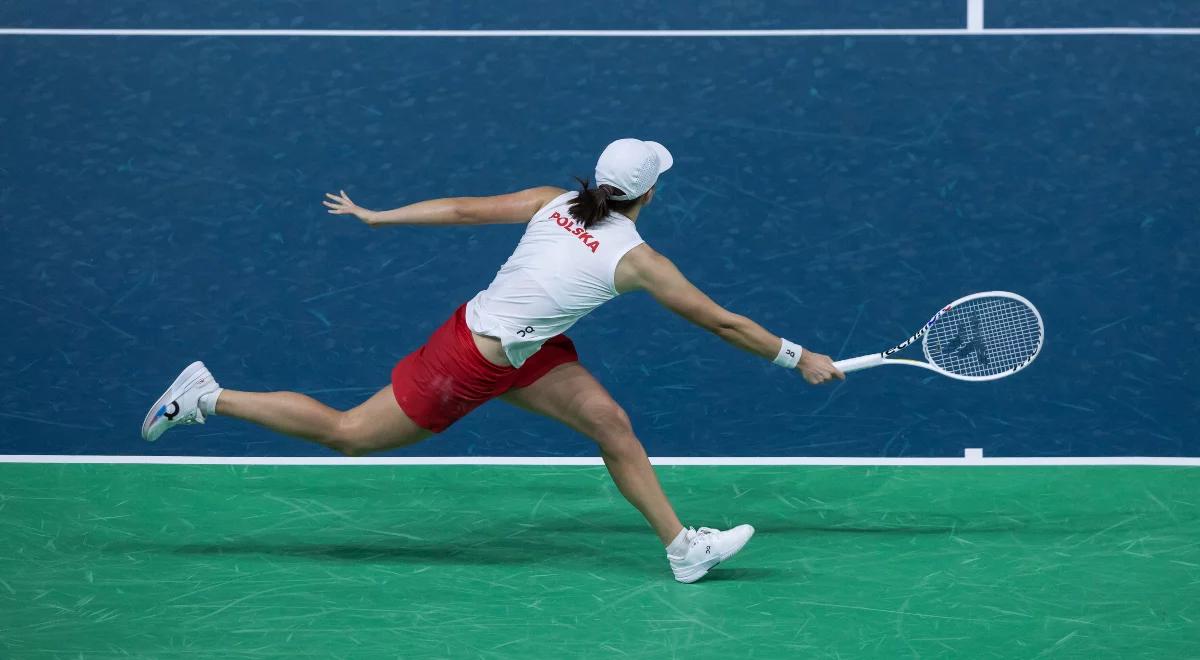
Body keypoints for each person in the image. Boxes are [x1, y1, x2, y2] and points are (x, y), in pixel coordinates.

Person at [141, 138, 845, 583]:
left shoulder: (554, 201)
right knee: (349, 434)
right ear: (650, 194)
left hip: (526, 349)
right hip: (468, 361)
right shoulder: (640, 261)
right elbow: (720, 321)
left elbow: (462, 210)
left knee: (610, 422)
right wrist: (799, 356)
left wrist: (382, 215)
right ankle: (210, 396)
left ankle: (682, 549)